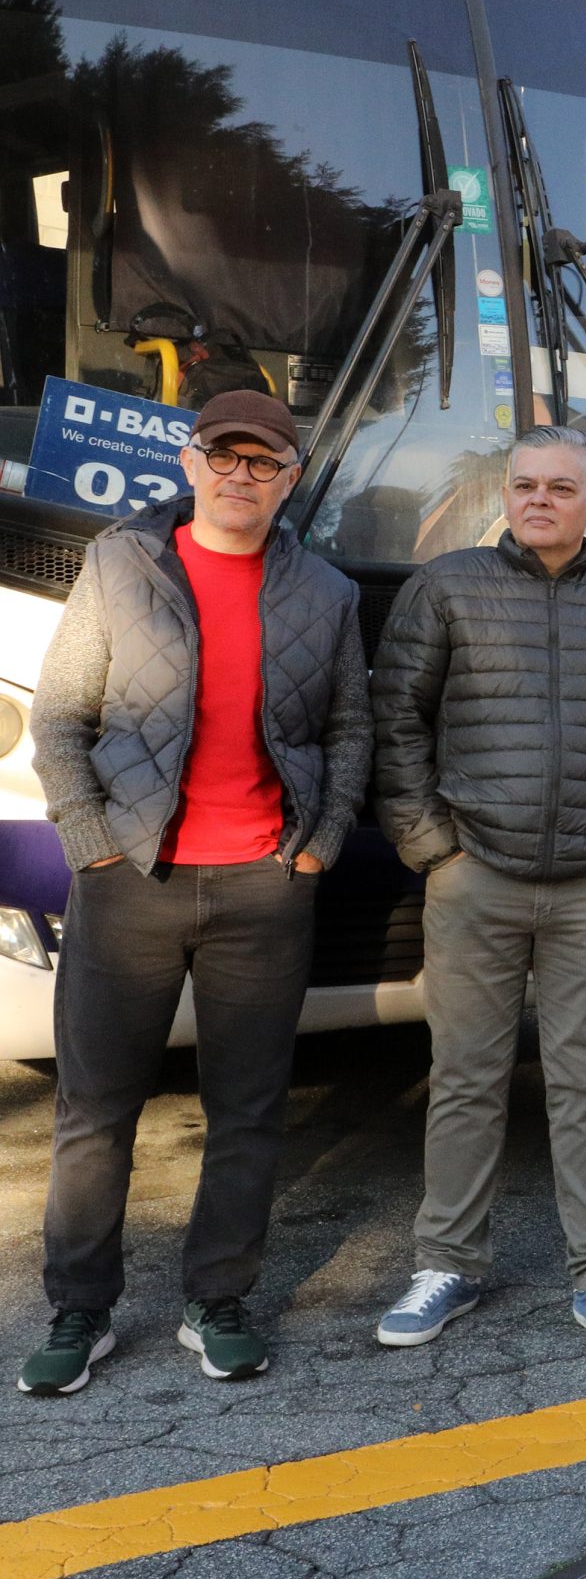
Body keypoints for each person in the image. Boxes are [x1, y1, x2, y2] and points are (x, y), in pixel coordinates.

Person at [20, 390, 369, 1394]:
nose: (240, 476)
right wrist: (90, 844)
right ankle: (80, 1314)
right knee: (97, 1109)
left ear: (290, 479)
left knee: (249, 1110)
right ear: (188, 462)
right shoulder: (120, 563)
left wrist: (319, 847)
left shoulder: (328, 592)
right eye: (225, 456)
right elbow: (60, 717)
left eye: (264, 462)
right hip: (132, 881)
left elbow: (350, 732)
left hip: (264, 887)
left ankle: (218, 1300)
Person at [370, 425, 586, 1365]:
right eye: (525, 485)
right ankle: (449, 1261)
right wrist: (435, 849)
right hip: (473, 877)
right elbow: (396, 721)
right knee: (466, 1078)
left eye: (563, 487)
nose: (541, 500)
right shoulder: (447, 589)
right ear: (504, 496)